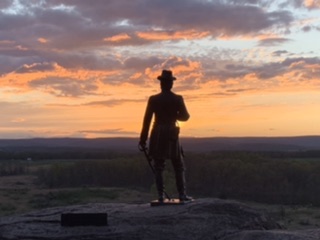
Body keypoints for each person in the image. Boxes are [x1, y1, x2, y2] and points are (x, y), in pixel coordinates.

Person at [139, 69, 192, 202]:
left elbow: (146, 120)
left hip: (157, 132)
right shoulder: (178, 99)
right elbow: (186, 116)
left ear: (161, 84)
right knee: (178, 164)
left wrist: (143, 139)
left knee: (158, 165)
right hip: (171, 132)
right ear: (171, 84)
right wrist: (174, 115)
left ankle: (161, 196)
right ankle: (182, 194)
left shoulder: (153, 99)